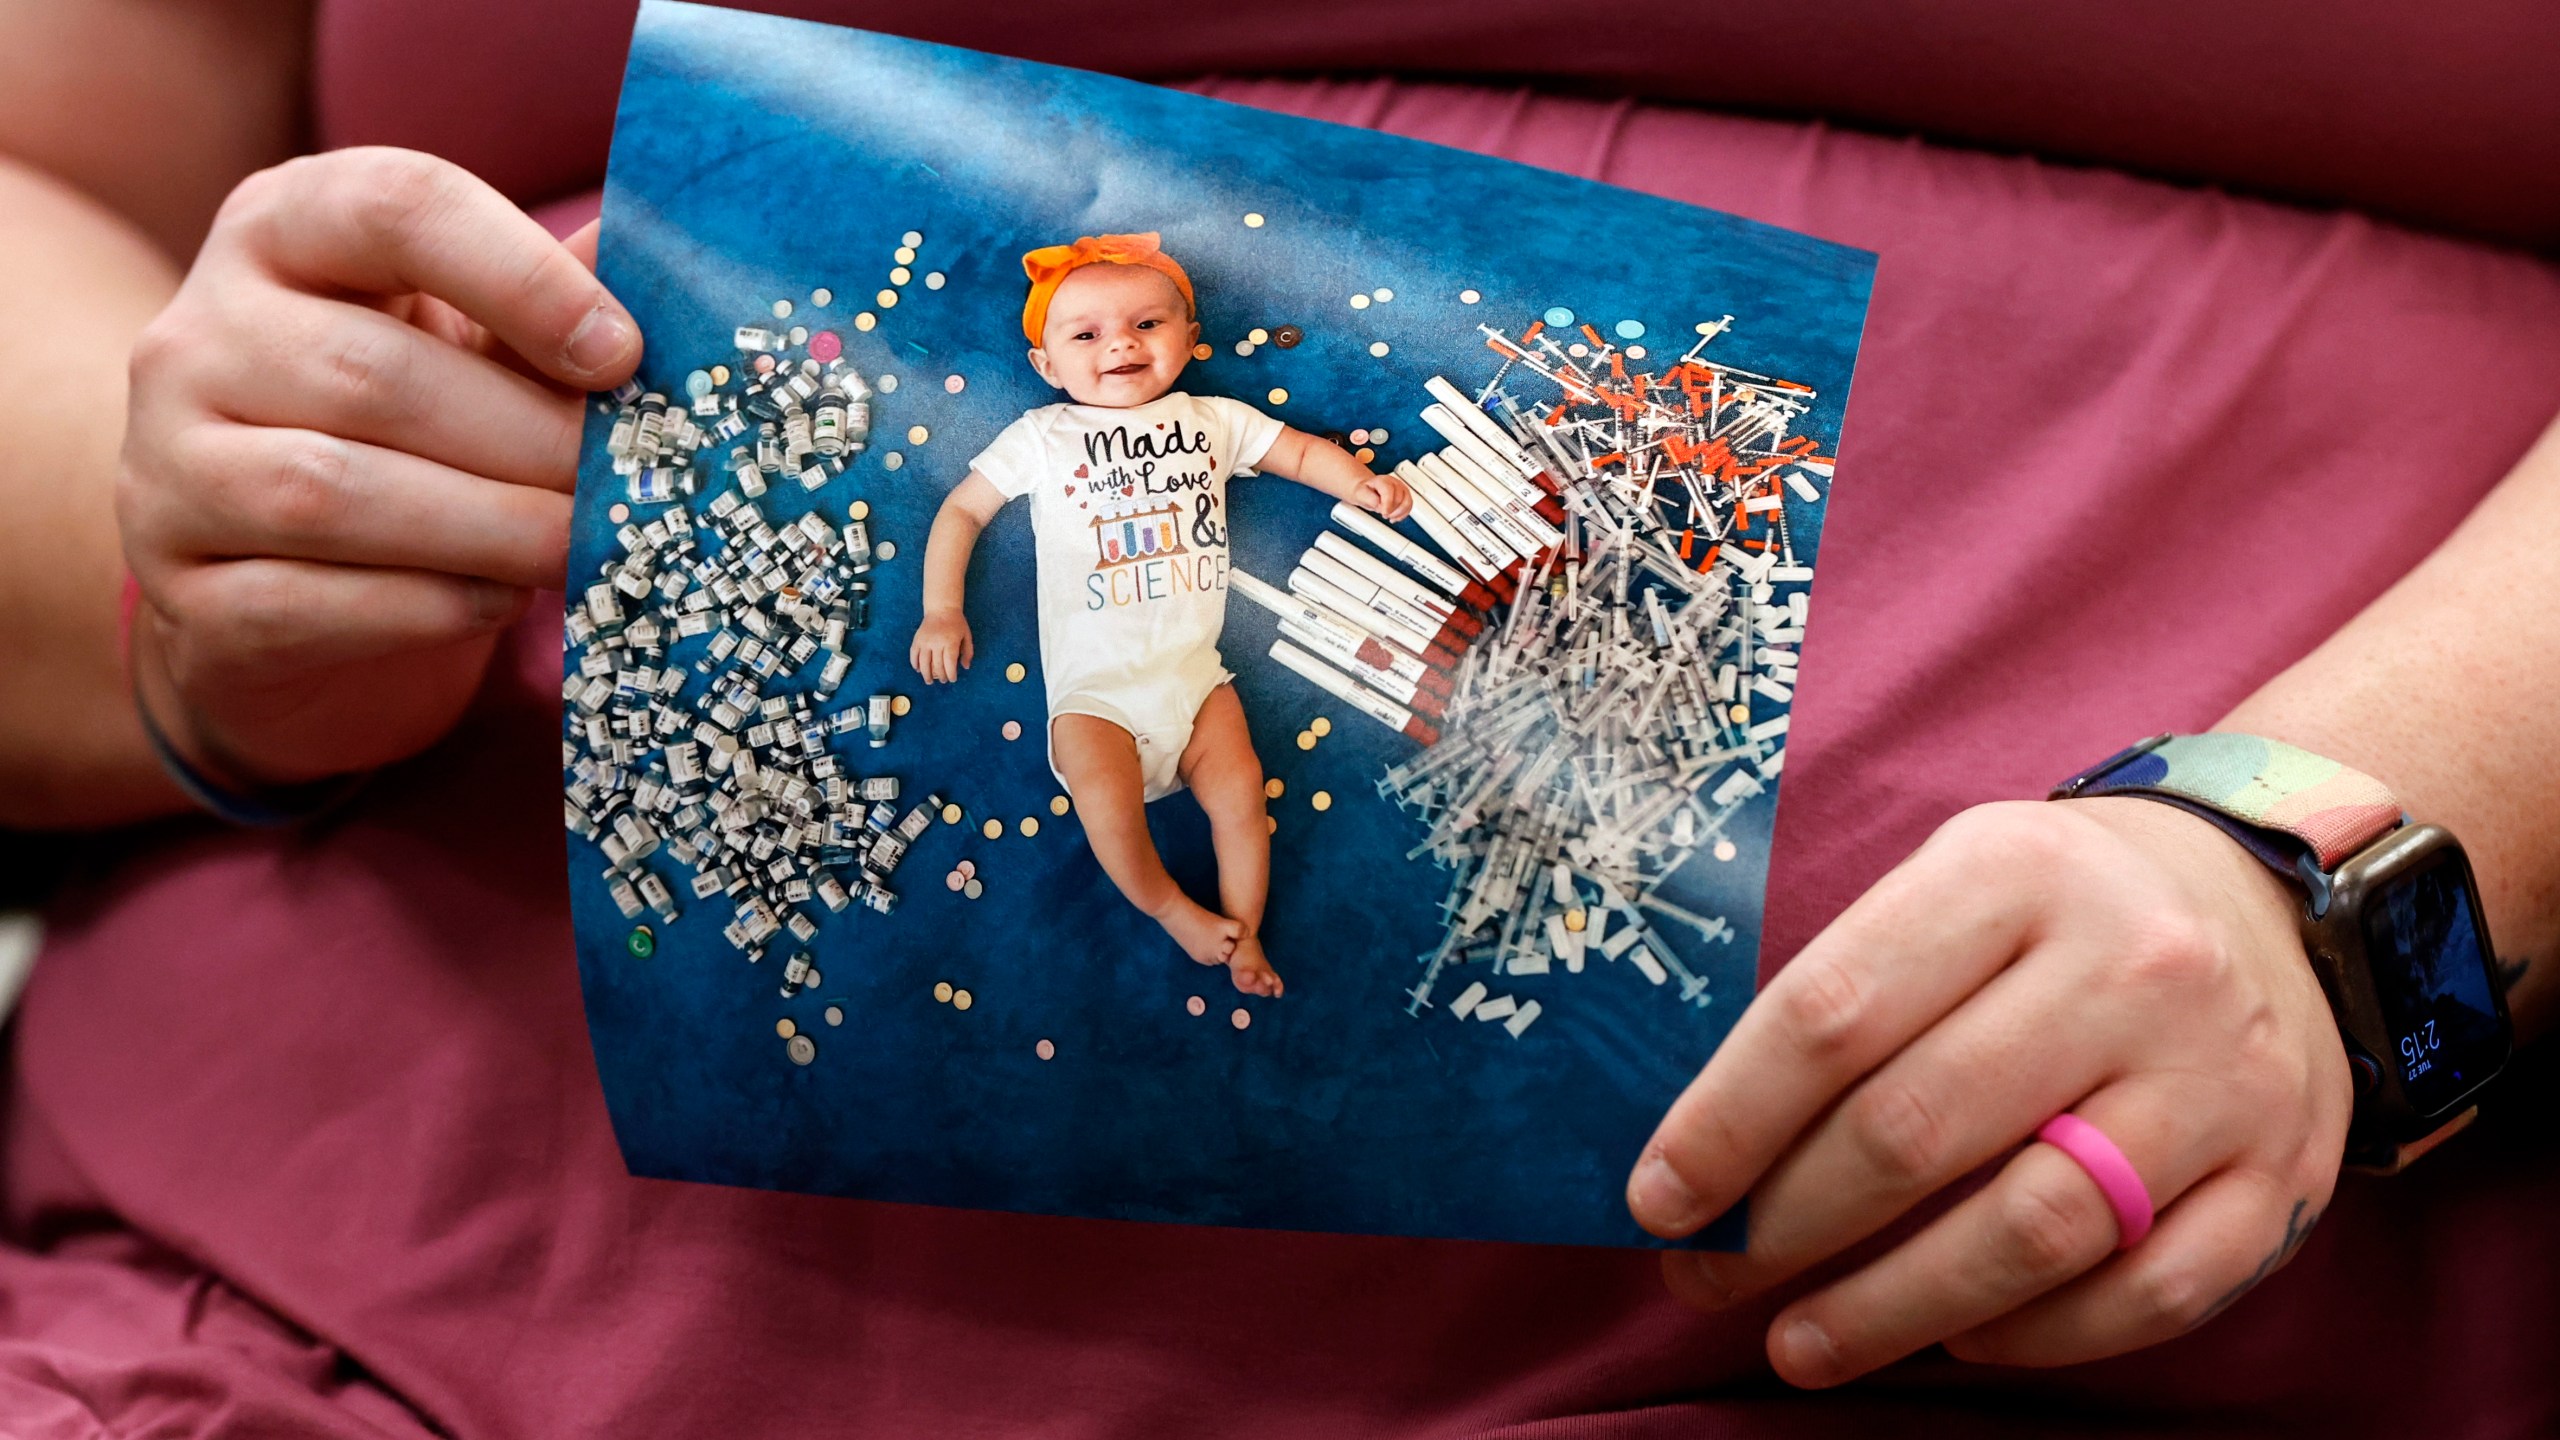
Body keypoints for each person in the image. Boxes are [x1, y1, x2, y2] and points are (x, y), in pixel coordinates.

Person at [1, 5, 2554, 1427]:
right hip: (356, 1315)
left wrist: (2353, 866)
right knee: (1150, 787)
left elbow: (1295, 452)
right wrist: (217, 545)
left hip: (2064, 1338)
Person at [909, 232, 1411, 997]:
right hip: (1095, 696)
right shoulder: (1044, 436)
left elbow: (1302, 454)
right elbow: (961, 514)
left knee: (1241, 795)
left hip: (1194, 677)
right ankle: (1173, 909)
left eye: (1148, 325)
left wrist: (1357, 482)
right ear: (1046, 365)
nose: (1120, 345)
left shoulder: (1212, 418)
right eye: (1086, 335)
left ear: (1190, 340)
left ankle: (1246, 935)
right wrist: (942, 611)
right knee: (1109, 814)